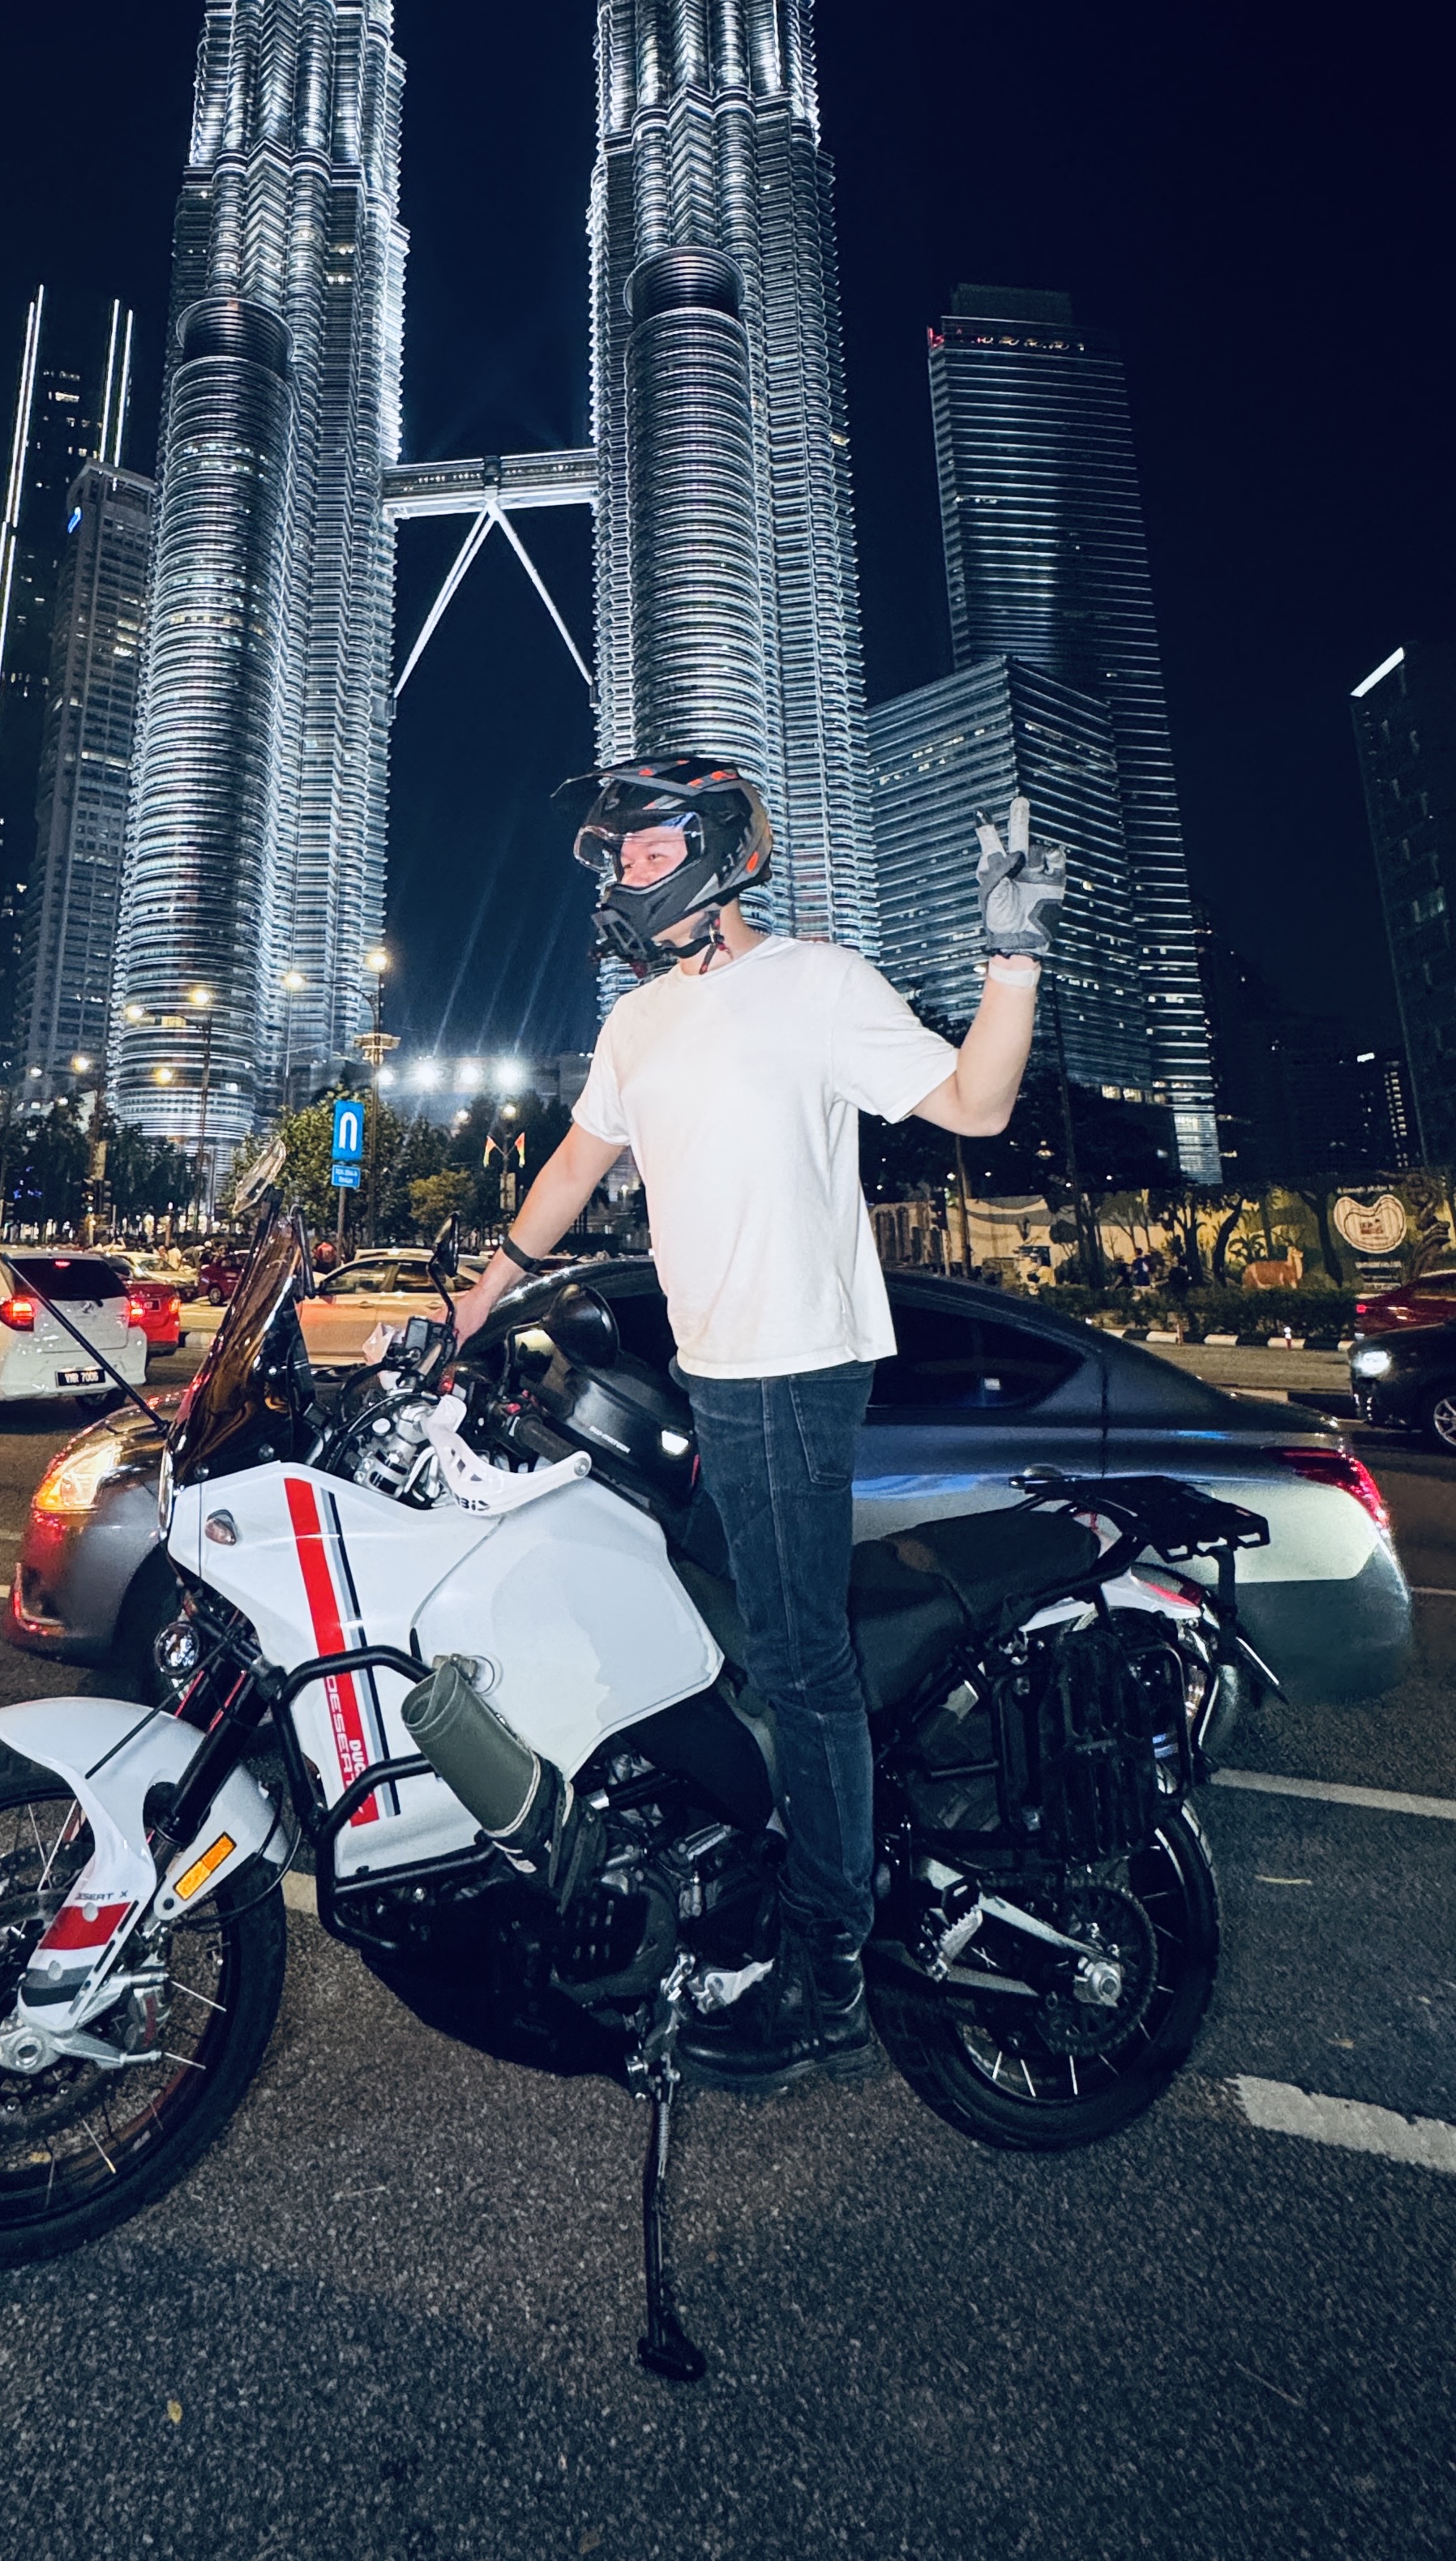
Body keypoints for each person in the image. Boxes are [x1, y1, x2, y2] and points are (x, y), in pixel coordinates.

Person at [450, 757, 1064, 2092]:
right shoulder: (638, 1023)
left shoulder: (816, 985)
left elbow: (976, 1104)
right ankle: (764, 1840)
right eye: (613, 858)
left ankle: (826, 1961)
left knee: (796, 1661)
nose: (622, 875)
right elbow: (575, 1165)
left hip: (797, 1371)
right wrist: (482, 1295)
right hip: (714, 1378)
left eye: (643, 849)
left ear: (719, 850)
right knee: (714, 1627)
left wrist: (1010, 960)